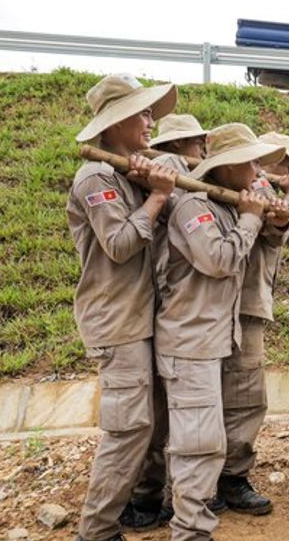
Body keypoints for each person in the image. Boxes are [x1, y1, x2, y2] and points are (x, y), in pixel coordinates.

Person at [154, 123, 286, 541]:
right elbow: (219, 259)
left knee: (206, 439)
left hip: (210, 339)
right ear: (225, 167)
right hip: (189, 342)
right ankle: (191, 530)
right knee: (197, 443)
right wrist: (251, 219)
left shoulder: (228, 204)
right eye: (248, 160)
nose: (256, 167)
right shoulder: (195, 206)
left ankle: (196, 520)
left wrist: (269, 221)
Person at [69, 73, 179, 541]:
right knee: (129, 428)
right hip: (117, 322)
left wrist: (154, 188)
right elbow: (118, 244)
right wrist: (155, 197)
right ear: (114, 123)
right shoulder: (96, 176)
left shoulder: (124, 171)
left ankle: (138, 505)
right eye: (143, 111)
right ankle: (96, 531)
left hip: (138, 317)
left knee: (148, 422)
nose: (151, 119)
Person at [211, 131, 289, 515]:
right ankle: (222, 479)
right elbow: (270, 230)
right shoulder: (252, 189)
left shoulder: (261, 191)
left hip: (251, 301)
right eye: (285, 164)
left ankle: (224, 476)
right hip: (234, 304)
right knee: (239, 396)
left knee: (240, 395)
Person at [119, 113, 212, 531]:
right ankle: (147, 498)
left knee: (170, 419)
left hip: (166, 312)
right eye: (197, 144)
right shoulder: (170, 171)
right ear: (180, 147)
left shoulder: (179, 178)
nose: (202, 152)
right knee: (163, 420)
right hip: (169, 313)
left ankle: (162, 499)